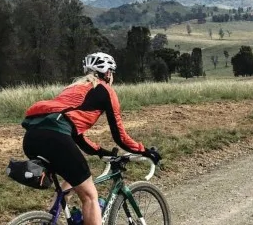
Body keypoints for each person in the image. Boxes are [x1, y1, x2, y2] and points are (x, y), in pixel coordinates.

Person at [20, 52, 161, 225]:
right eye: (112, 73)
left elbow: (75, 134)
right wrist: (145, 151)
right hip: (55, 138)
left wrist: (100, 152)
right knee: (90, 196)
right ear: (108, 73)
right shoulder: (105, 90)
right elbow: (120, 136)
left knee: (71, 179)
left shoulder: (72, 88)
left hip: (32, 137)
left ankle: (49, 220)